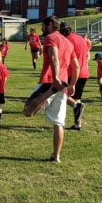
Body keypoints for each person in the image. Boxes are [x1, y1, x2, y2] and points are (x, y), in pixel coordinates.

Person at [22, 16, 80, 163]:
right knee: (58, 123)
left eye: (42, 25)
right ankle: (56, 156)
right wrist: (72, 84)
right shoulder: (68, 42)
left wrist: (54, 81)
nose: (41, 28)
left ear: (50, 24)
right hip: (64, 85)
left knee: (27, 111)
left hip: (51, 82)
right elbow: (76, 66)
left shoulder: (50, 38)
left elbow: (54, 58)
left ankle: (50, 91)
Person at [60, 23, 89, 130]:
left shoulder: (67, 40)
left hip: (71, 72)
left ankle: (59, 123)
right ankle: (77, 124)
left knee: (60, 95)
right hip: (83, 71)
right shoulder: (81, 38)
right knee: (77, 99)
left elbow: (65, 57)